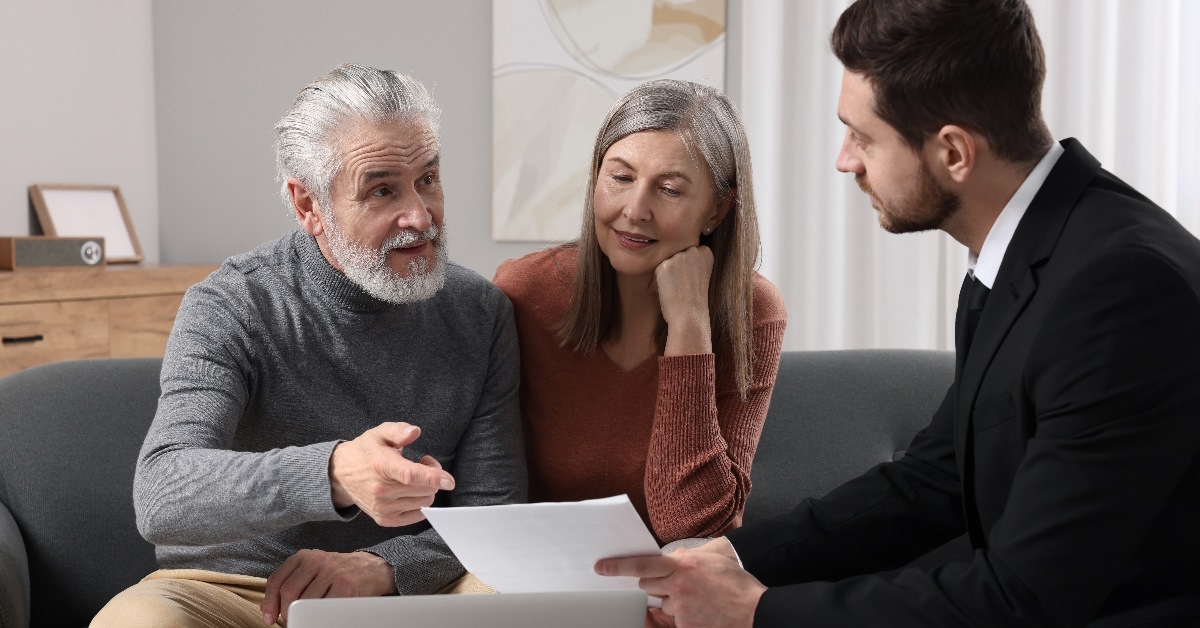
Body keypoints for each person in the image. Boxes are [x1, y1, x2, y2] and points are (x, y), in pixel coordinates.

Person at [595, 1, 1200, 625]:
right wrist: (731, 558)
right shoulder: (1034, 248)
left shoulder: (1123, 289)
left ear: (954, 153)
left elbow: (1022, 598)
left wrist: (757, 612)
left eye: (863, 137)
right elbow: (934, 480)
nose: (845, 160)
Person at [92, 64, 526, 627]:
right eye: (382, 190)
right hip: (236, 592)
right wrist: (334, 473)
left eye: (428, 179)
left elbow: (494, 514)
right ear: (308, 206)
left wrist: (383, 566)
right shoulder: (232, 303)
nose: (420, 216)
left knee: (507, 590)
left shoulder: (480, 311)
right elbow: (163, 493)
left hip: (410, 592)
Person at [493, 79, 786, 544]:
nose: (635, 210)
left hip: (671, 578)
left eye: (669, 189)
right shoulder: (523, 292)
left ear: (717, 211)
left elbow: (693, 528)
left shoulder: (751, 311)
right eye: (621, 178)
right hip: (534, 572)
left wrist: (690, 324)